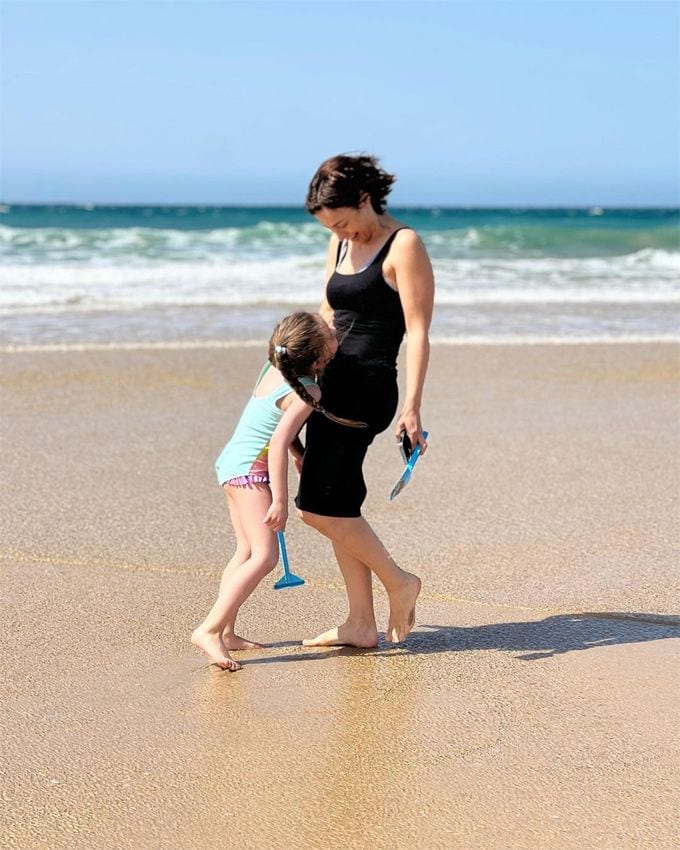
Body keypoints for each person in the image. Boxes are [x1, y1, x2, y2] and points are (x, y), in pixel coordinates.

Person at [296, 153, 435, 648]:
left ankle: (400, 581)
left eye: (345, 221)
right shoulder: (339, 241)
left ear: (364, 199)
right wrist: (297, 371)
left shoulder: (404, 245)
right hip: (328, 383)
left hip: (368, 387)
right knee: (340, 502)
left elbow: (418, 331)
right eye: (331, 227)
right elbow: (325, 312)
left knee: (316, 508)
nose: (342, 233)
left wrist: (412, 407)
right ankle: (360, 623)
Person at [192, 311, 363, 671]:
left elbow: (270, 421)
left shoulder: (275, 367)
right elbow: (279, 437)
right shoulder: (309, 389)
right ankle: (208, 629)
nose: (333, 328)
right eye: (327, 330)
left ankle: (227, 632)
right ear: (319, 360)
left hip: (230, 464)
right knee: (265, 557)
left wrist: (299, 454)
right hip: (250, 475)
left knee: (245, 551)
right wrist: (282, 501)